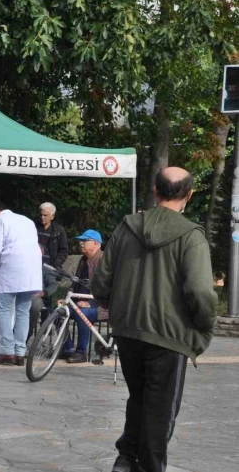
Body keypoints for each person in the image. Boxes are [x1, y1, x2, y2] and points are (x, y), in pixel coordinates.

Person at [92, 167, 218, 472]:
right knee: (161, 409)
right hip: (169, 335)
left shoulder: (127, 226)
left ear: (155, 190)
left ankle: (126, 459)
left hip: (128, 329)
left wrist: (119, 306)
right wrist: (204, 327)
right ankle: (148, 466)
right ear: (188, 195)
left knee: (139, 397)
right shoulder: (191, 235)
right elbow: (201, 291)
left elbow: (101, 281)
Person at [0, 199, 42, 366]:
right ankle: (20, 352)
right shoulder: (27, 220)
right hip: (32, 269)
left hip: (12, 266)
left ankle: (7, 351)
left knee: (3, 309)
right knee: (23, 311)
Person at [62, 229, 106, 364]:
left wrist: (91, 303)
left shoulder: (104, 260)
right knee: (57, 312)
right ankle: (67, 348)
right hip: (80, 301)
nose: (81, 243)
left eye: (85, 241)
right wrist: (67, 300)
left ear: (96, 244)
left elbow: (108, 288)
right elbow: (76, 283)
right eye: (81, 241)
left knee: (83, 313)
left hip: (102, 305)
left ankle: (81, 353)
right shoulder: (82, 261)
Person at [36, 202, 68, 269]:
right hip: (34, 265)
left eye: (45, 215)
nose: (42, 217)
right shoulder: (33, 228)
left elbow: (63, 251)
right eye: (41, 215)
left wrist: (56, 263)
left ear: (52, 216)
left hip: (51, 268)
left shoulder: (59, 231)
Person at [28, 271, 58, 341]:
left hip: (35, 296)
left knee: (35, 304)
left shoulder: (44, 268)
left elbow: (53, 285)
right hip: (16, 293)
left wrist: (44, 292)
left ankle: (27, 333)